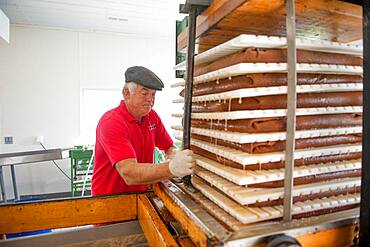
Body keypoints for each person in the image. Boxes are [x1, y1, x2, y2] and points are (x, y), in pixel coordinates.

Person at [92, 66, 194, 196]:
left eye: (153, 94)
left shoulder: (152, 117)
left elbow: (169, 147)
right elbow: (129, 173)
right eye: (144, 93)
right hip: (109, 199)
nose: (150, 99)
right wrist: (171, 168)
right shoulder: (111, 122)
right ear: (127, 93)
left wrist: (174, 157)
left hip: (141, 194)